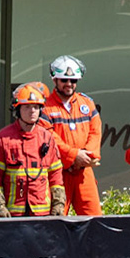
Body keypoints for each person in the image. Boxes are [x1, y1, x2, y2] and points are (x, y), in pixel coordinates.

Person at [0, 83, 67, 218]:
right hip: (13, 215)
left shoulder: (47, 138)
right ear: (17, 110)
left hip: (42, 214)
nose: (32, 111)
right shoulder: (2, 139)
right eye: (27, 107)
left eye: (36, 107)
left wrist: (58, 204)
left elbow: (56, 175)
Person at [42, 56, 104, 216]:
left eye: (73, 80)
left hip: (84, 172)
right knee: (56, 220)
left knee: (94, 219)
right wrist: (74, 156)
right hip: (58, 172)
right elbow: (49, 137)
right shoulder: (45, 107)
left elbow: (95, 131)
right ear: (55, 80)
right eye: (64, 80)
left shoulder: (87, 103)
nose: (69, 84)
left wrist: (86, 157)